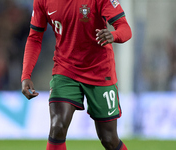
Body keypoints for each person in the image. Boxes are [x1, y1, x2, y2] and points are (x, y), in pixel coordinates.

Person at [21, 0, 132, 150]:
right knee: (57, 126)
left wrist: (114, 35)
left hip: (100, 71)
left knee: (108, 138)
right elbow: (34, 37)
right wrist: (26, 75)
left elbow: (125, 28)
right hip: (65, 70)